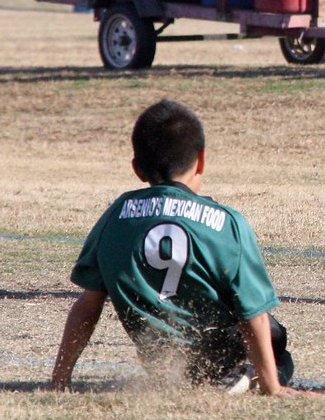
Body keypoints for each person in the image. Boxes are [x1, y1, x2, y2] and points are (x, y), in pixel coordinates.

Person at [51, 99, 308, 397]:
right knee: (275, 335)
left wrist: (60, 378)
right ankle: (246, 380)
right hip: (219, 362)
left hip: (161, 363)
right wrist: (272, 387)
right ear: (202, 160)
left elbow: (88, 305)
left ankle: (200, 381)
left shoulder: (116, 215)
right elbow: (254, 314)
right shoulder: (227, 223)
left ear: (137, 169)